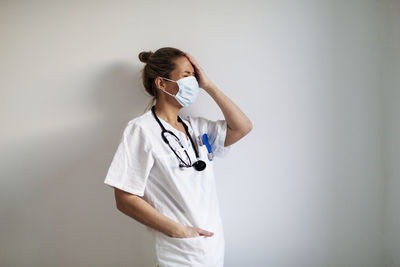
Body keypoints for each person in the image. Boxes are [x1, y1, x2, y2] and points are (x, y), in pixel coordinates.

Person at [104, 47, 252, 266]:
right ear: (161, 83)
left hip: (212, 252)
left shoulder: (197, 127)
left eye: (194, 75)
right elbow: (125, 198)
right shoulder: (141, 130)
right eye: (186, 76)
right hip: (178, 255)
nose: (193, 81)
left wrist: (208, 85)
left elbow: (242, 127)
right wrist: (177, 231)